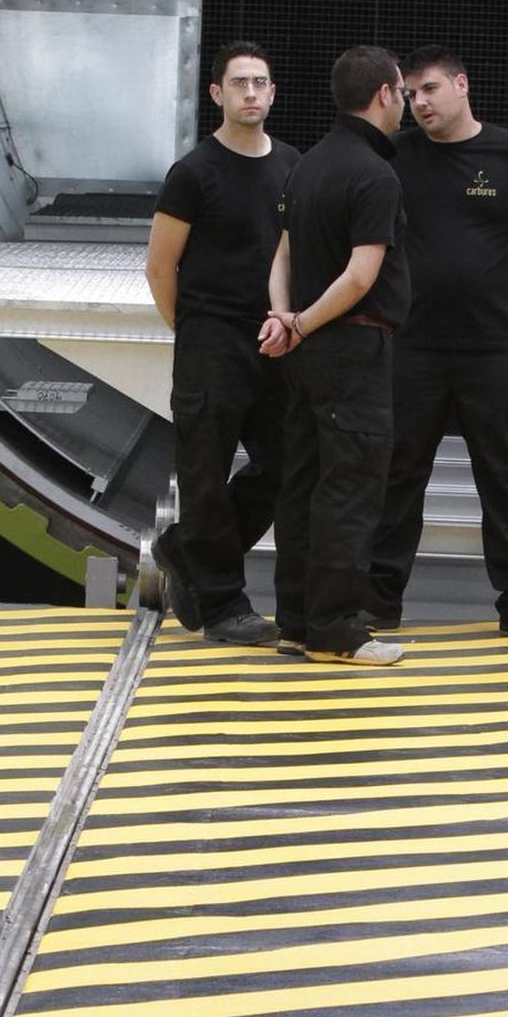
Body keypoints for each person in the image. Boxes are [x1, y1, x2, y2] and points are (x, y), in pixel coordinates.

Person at [369, 47, 508, 642]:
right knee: (396, 475)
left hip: (492, 346)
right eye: (410, 94)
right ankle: (378, 598)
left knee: (506, 474)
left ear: (463, 85)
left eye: (431, 89)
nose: (421, 103)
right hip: (412, 345)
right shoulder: (396, 154)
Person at [262, 45, 410, 668]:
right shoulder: (375, 175)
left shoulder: (307, 164)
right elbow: (359, 276)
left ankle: (294, 621)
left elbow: (284, 255)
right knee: (349, 488)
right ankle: (338, 628)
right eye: (402, 91)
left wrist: (285, 318)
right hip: (351, 346)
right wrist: (302, 323)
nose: (405, 102)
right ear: (383, 94)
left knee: (302, 484)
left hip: (306, 353)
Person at [146, 42, 299, 645]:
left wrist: (288, 318)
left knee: (284, 463)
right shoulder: (193, 173)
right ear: (217, 93)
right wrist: (190, 330)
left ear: (273, 92)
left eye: (261, 82)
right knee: (204, 473)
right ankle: (224, 605)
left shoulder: (291, 164)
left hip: (273, 336)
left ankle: (190, 552)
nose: (252, 93)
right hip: (211, 338)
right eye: (240, 83)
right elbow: (161, 268)